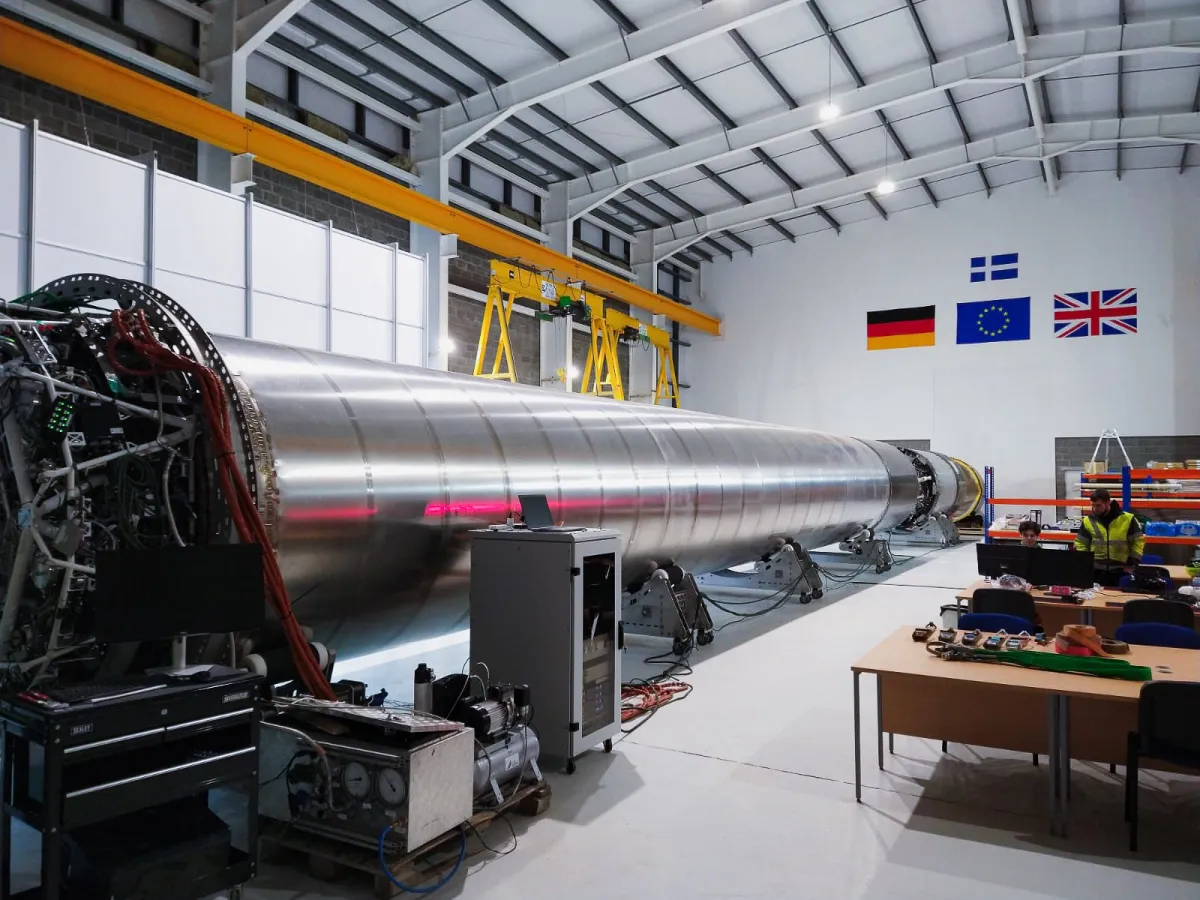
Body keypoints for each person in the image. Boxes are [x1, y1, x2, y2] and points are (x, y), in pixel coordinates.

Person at [1075, 488, 1145, 586]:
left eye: (1098, 505)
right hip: (1096, 572)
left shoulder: (1127, 519)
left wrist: (1132, 563)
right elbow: (1081, 543)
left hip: (1121, 571)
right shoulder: (1088, 521)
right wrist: (1085, 563)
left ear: (1108, 503)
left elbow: (1138, 542)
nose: (1095, 508)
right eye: (1093, 505)